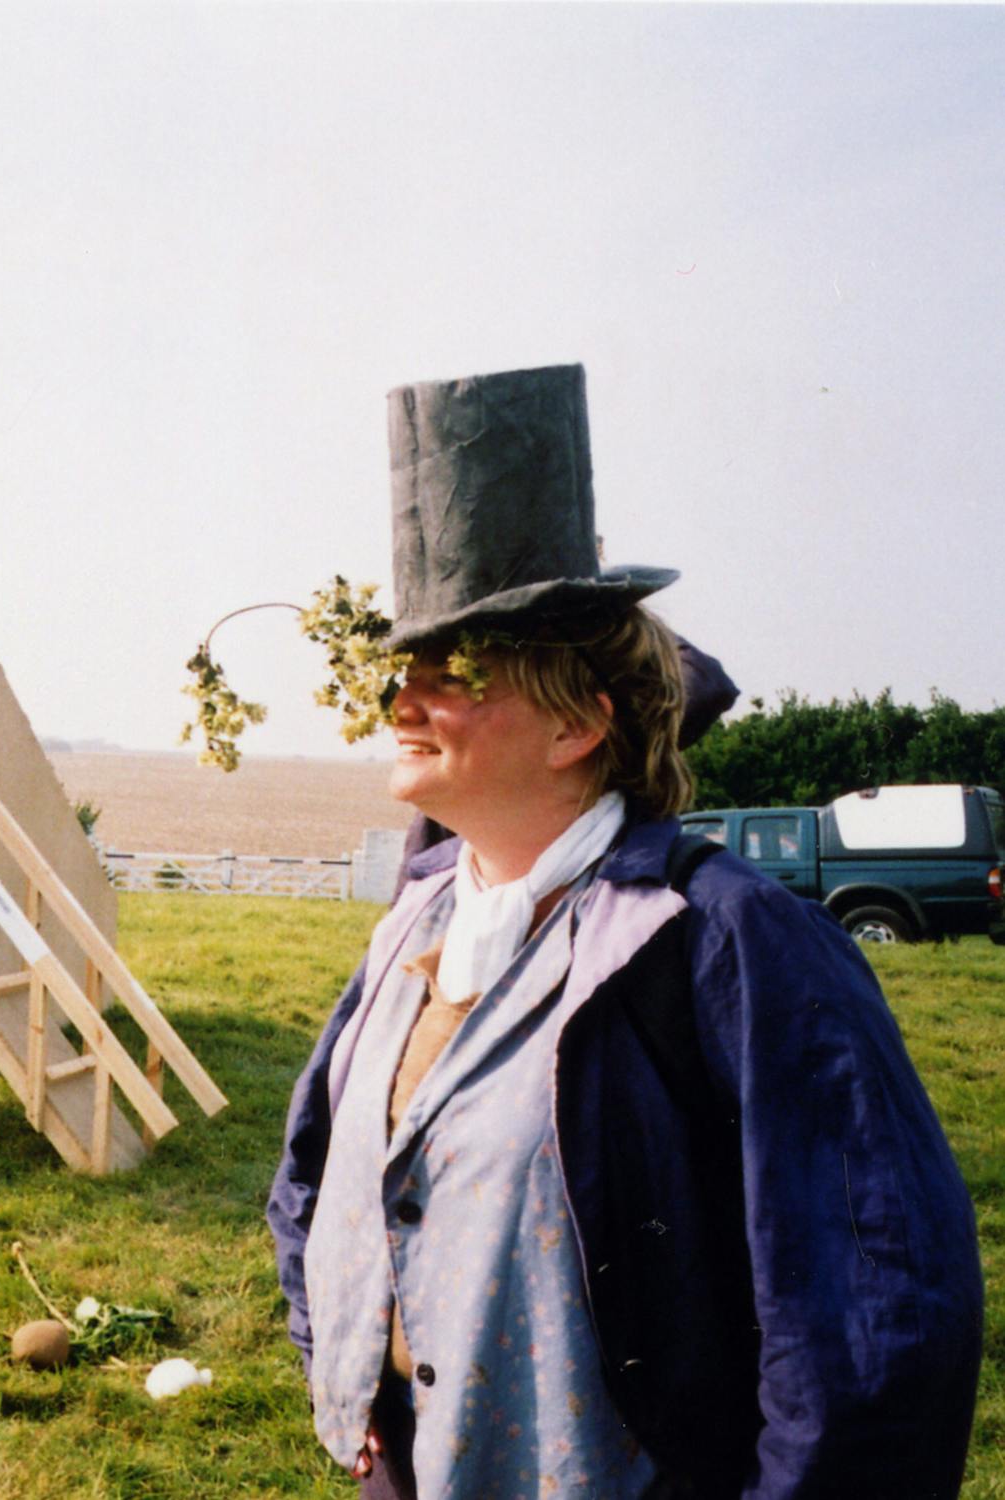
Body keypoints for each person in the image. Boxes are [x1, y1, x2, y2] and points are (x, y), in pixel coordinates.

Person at [266, 364, 982, 1498]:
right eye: (400, 670)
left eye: (450, 672)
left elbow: (872, 1321)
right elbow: (314, 1174)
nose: (400, 702)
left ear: (574, 724)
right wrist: (350, 1374)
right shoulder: (417, 923)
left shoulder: (724, 943)